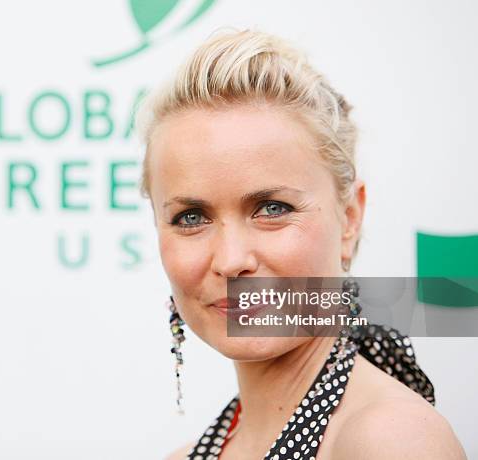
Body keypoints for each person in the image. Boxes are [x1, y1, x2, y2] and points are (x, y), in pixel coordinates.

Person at [135, 28, 467, 460]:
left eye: (272, 209)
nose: (232, 261)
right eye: (191, 217)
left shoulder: (391, 441)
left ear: (349, 218)